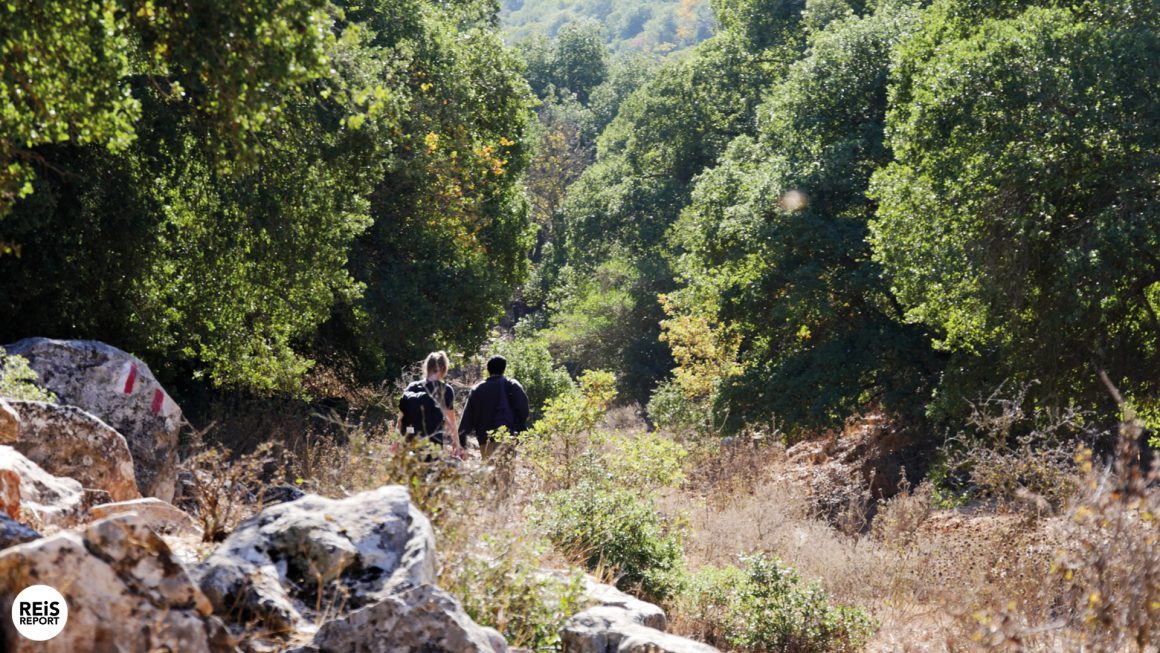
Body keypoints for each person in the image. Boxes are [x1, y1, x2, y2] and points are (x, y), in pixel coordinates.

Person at [458, 355, 530, 459]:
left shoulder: (477, 389)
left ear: (488, 369)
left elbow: (467, 420)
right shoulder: (511, 385)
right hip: (507, 438)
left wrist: (461, 443)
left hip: (485, 441)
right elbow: (524, 410)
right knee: (506, 473)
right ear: (504, 369)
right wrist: (517, 429)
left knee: (489, 473)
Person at [398, 351, 464, 458]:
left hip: (409, 441)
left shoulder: (412, 387)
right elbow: (451, 421)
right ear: (443, 369)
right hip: (433, 445)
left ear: (426, 367)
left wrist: (397, 441)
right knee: (429, 474)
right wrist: (456, 443)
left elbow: (401, 419)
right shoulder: (445, 390)